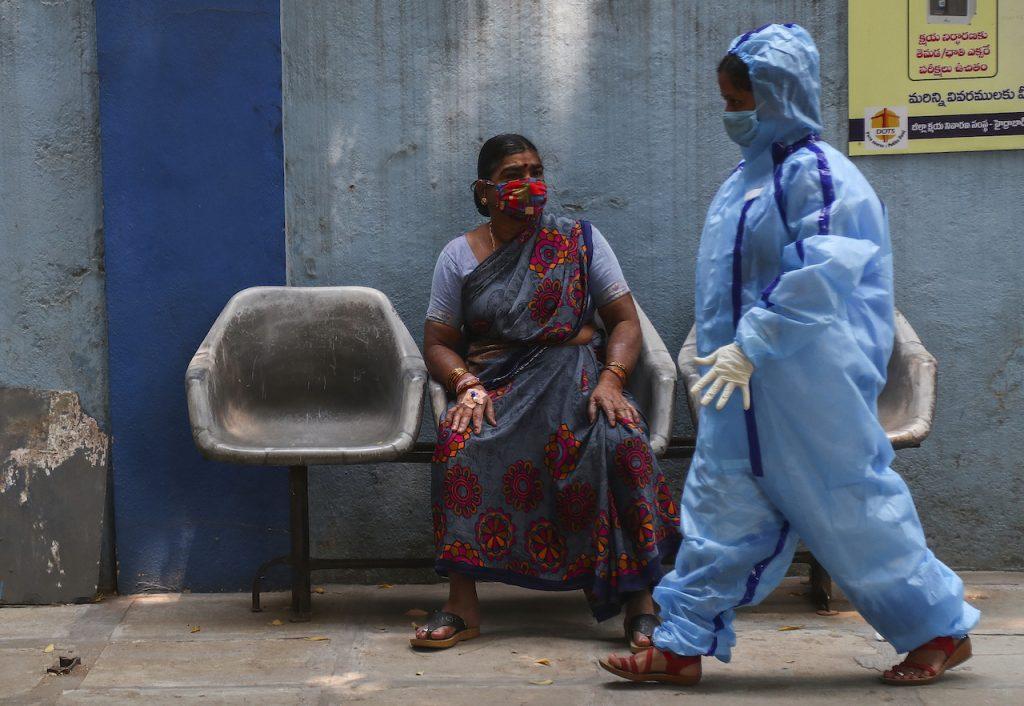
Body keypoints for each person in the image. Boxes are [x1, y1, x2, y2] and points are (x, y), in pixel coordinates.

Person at [600, 23, 979, 687]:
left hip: (810, 389)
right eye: (725, 101)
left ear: (775, 93)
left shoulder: (826, 179)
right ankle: (681, 644)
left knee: (852, 512)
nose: (730, 115)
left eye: (737, 100)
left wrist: (755, 343)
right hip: (740, 392)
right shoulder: (741, 185)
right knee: (718, 511)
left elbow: (824, 273)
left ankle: (939, 630)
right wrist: (733, 355)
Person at [412, 134, 681, 650]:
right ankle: (462, 607)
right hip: (498, 388)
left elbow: (623, 321)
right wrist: (465, 386)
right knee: (457, 446)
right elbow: (439, 342)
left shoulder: (580, 239)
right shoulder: (458, 256)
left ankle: (641, 602)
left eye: (535, 172)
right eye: (514, 175)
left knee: (621, 443)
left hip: (579, 385)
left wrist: (611, 379)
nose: (528, 185)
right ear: (484, 190)